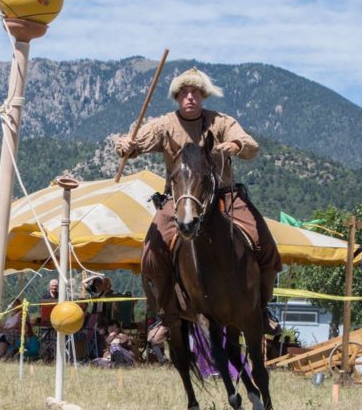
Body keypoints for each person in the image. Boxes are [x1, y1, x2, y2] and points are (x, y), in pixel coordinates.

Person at [115, 67, 282, 339]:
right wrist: (125, 146)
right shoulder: (164, 125)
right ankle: (166, 317)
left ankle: (261, 309)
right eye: (184, 93)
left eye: (195, 92)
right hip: (179, 198)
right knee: (152, 253)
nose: (190, 97)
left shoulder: (221, 122)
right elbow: (135, 145)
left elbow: (252, 145)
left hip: (224, 196)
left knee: (265, 244)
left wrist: (236, 145)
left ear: (203, 96)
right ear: (177, 97)